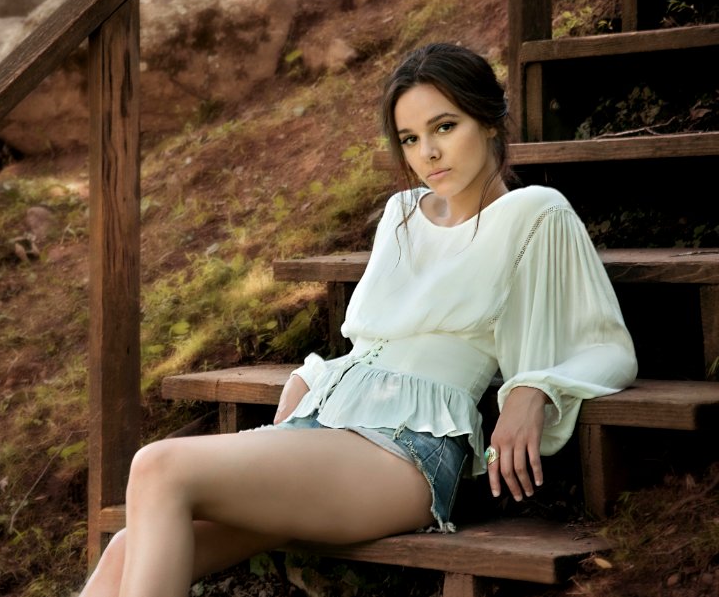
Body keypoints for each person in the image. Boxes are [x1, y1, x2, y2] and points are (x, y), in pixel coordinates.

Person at [78, 42, 638, 597]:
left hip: (407, 447)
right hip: (326, 422)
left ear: (490, 120)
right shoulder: (401, 214)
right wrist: (315, 375)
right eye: (411, 139)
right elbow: (375, 339)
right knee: (125, 548)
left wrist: (531, 388)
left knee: (159, 466)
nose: (429, 154)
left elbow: (607, 346)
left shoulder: (535, 212)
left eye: (445, 127)